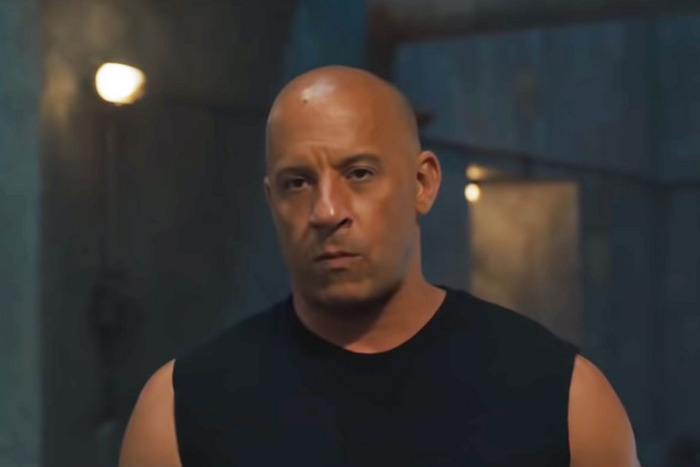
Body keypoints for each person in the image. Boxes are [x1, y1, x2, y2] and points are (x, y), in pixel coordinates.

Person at [119, 66, 640, 466]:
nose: (327, 211)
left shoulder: (561, 398)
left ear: (422, 183)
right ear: (271, 200)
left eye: (359, 173)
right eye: (297, 183)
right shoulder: (182, 411)